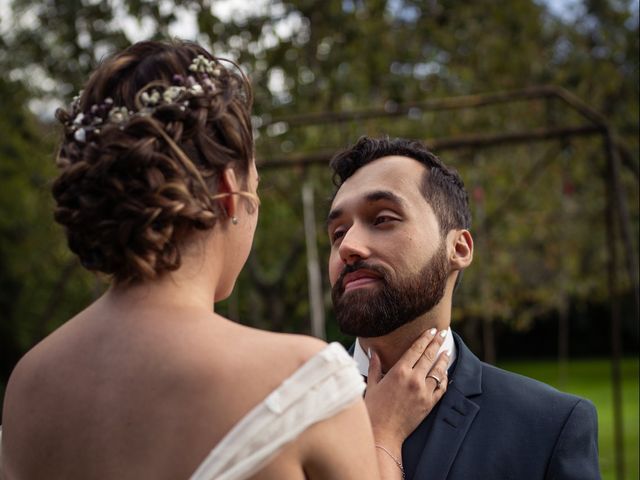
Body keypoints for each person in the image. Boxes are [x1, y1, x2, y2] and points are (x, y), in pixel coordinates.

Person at [0, 42, 450, 480]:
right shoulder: (300, 381)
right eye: (254, 187)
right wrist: (384, 436)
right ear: (227, 191)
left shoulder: (28, 384)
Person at [326, 136, 601, 480]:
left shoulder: (549, 427)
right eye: (337, 233)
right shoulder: (281, 413)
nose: (348, 247)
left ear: (458, 247)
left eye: (382, 218)